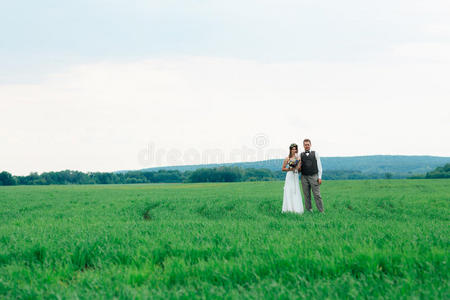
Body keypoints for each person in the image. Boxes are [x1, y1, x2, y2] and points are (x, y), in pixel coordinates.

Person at [300, 139, 324, 213]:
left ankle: (321, 211)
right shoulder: (300, 155)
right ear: (303, 145)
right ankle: (309, 210)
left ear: (310, 145)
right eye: (305, 144)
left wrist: (319, 177)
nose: (306, 146)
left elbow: (319, 166)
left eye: (308, 144)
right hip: (304, 177)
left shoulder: (315, 153)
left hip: (314, 176)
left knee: (317, 195)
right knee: (306, 195)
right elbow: (298, 165)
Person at [281, 143, 304, 214]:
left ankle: (297, 209)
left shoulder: (298, 158)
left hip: (295, 175)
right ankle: (289, 209)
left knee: (295, 190)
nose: (294, 150)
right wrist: (290, 169)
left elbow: (299, 168)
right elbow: (283, 168)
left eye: (295, 149)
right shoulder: (287, 158)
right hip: (290, 175)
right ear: (290, 150)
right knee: (289, 190)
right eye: (292, 149)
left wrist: (298, 165)